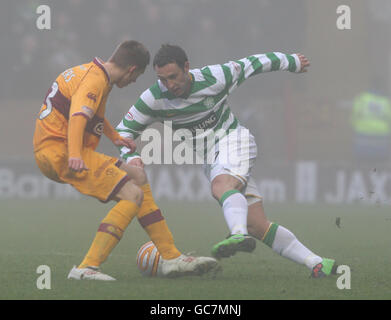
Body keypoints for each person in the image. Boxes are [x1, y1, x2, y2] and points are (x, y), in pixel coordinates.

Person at [116, 44, 338, 278]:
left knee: (220, 187)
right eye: (163, 79)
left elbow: (251, 64)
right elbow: (123, 131)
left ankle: (237, 234)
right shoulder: (154, 98)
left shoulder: (215, 77)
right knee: (257, 225)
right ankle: (318, 263)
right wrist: (132, 157)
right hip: (212, 159)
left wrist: (290, 62)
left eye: (174, 76)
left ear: (187, 68)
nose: (170, 84)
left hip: (235, 140)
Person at [33, 40, 219, 281]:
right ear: (132, 70)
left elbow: (88, 113)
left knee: (137, 175)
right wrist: (76, 155)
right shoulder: (95, 81)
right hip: (62, 152)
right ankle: (86, 268)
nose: (133, 82)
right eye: (137, 76)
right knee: (133, 195)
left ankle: (171, 257)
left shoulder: (89, 72)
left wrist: (115, 137)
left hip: (57, 149)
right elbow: (79, 116)